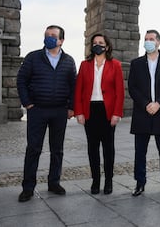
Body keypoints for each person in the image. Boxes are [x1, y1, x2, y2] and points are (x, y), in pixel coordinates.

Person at [17, 25, 76, 202]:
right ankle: (28, 188)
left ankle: (54, 182)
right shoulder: (33, 57)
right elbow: (21, 80)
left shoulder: (68, 60)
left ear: (61, 40)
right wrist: (27, 103)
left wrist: (71, 107)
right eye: (46, 35)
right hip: (37, 111)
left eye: (53, 35)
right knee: (33, 149)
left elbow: (74, 86)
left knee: (57, 150)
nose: (48, 38)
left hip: (59, 111)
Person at [128, 29, 160, 197]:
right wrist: (146, 104)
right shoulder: (136, 63)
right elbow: (132, 88)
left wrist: (158, 103)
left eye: (151, 39)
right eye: (146, 39)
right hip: (142, 112)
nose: (148, 41)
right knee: (140, 151)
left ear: (158, 42)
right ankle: (139, 183)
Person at [74, 33, 124, 195]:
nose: (97, 45)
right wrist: (79, 112)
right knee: (92, 148)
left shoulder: (115, 65)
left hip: (107, 110)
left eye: (101, 43)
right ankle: (95, 180)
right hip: (90, 110)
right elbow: (78, 90)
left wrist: (117, 113)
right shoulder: (84, 65)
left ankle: (108, 181)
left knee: (108, 148)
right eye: (95, 43)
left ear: (107, 46)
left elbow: (120, 92)